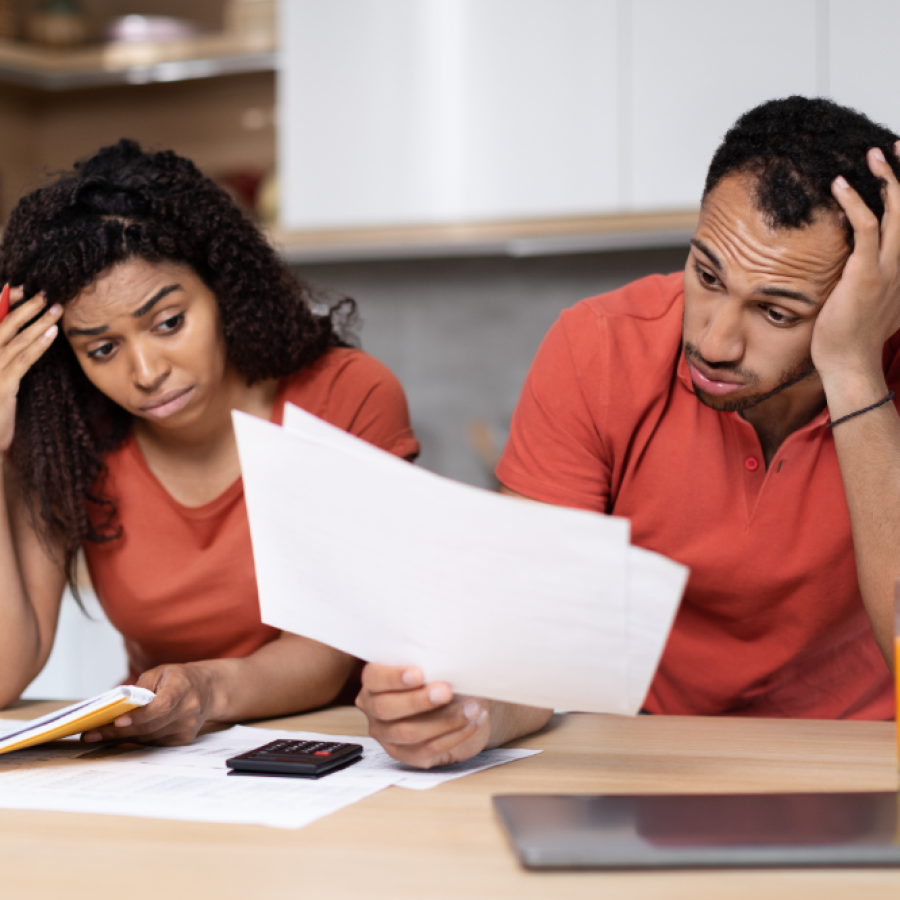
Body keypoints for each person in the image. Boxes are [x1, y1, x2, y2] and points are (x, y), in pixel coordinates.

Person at [486, 96, 900, 720]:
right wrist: (463, 714)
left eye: (777, 312)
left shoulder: (868, 363)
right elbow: (529, 643)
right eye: (707, 277)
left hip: (855, 760)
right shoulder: (596, 345)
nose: (712, 343)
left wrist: (853, 370)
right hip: (648, 755)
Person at [0, 139, 422, 746]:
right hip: (158, 764)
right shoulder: (69, 442)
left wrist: (202, 693)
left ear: (222, 288)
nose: (146, 372)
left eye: (169, 322)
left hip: (343, 750)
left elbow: (326, 656)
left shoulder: (344, 398)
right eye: (102, 348)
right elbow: (9, 671)